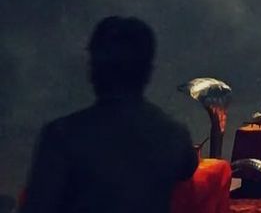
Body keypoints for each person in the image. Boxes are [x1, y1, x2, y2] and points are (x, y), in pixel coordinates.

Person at [22, 16, 198, 213]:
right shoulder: (175, 134)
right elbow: (187, 168)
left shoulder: (62, 136)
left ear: (94, 70)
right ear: (148, 72)